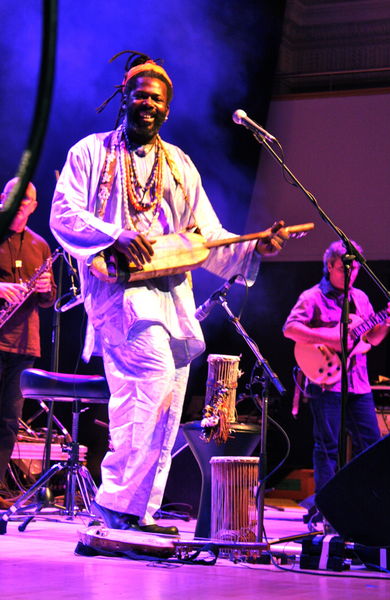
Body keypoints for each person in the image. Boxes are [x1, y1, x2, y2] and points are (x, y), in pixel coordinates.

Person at [50, 51, 288, 536]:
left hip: (173, 300)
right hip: (121, 298)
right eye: (140, 95)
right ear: (124, 97)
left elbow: (207, 235)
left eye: (157, 99)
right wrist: (113, 235)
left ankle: (140, 510)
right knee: (150, 384)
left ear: (167, 109)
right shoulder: (90, 153)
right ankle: (115, 504)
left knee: (167, 400)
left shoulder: (179, 164)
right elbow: (64, 214)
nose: (148, 104)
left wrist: (252, 248)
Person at [283, 240, 390, 528]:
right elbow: (290, 329)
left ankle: (369, 508)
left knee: (371, 446)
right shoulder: (312, 297)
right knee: (327, 448)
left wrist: (388, 321)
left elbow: (372, 338)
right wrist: (331, 338)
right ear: (331, 266)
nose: (351, 274)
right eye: (345, 269)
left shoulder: (360, 298)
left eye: (356, 269)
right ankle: (327, 513)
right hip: (327, 382)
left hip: (358, 383)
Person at [0, 178, 57, 501]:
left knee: (9, 421)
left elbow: (49, 300)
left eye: (27, 199)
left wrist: (46, 289)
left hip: (24, 344)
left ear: (34, 206)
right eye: (15, 196)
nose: (21, 202)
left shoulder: (40, 245)